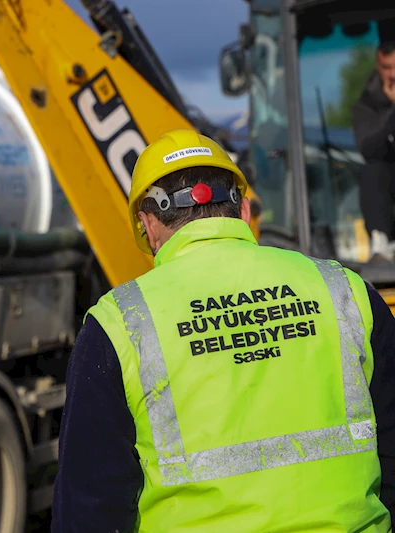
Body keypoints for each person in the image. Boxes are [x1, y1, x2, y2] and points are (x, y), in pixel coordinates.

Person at [51, 129, 395, 532]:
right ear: (244, 210)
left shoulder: (118, 325)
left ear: (147, 225)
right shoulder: (346, 292)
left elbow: (90, 508)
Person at [352, 35, 395, 262]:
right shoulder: (365, 106)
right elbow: (368, 148)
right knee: (373, 169)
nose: (393, 75)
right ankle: (381, 242)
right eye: (387, 68)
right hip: (387, 190)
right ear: (379, 67)